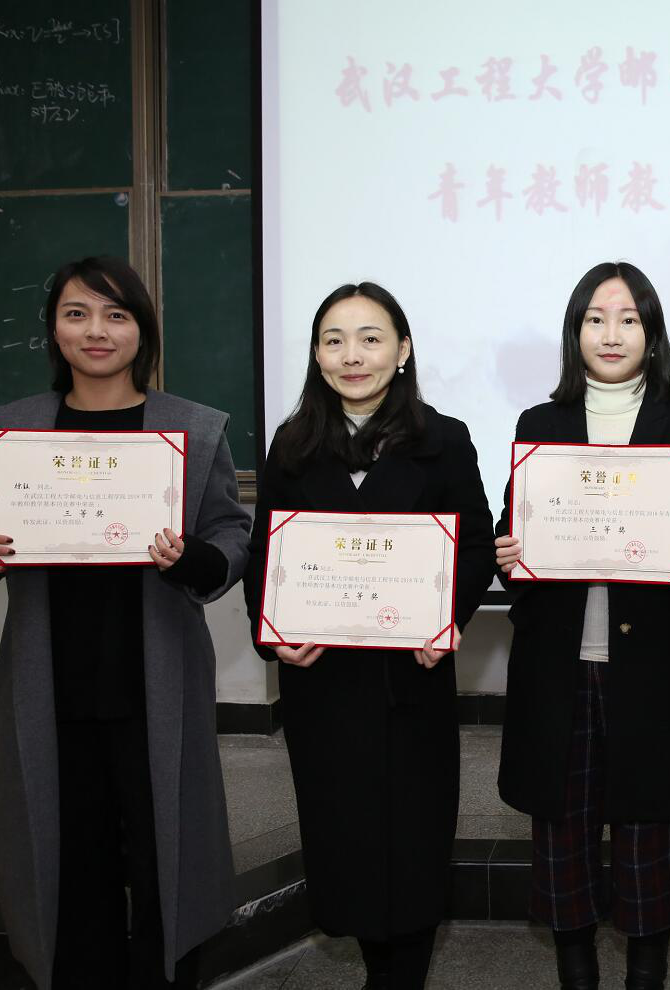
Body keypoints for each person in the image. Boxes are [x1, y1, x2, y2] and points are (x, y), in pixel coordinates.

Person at [0, 256, 250, 988]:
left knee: (168, 861)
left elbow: (232, 532)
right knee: (66, 864)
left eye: (116, 314)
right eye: (76, 314)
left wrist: (197, 559)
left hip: (156, 686)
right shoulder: (11, 430)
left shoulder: (193, 429)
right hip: (49, 687)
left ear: (143, 330)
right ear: (53, 330)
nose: (96, 331)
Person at [244, 281, 493, 990]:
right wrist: (272, 634)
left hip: (411, 679)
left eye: (370, 338)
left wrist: (448, 618)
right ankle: (372, 965)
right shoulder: (292, 445)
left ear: (403, 349)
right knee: (343, 838)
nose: (352, 355)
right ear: (317, 355)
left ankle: (400, 977)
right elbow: (265, 554)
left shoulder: (444, 439)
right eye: (334, 340)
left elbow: (476, 547)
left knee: (413, 842)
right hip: (322, 684)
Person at [493, 262, 670, 990]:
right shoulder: (540, 425)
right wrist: (508, 550)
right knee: (561, 838)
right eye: (595, 319)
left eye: (629, 319)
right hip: (557, 669)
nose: (611, 333)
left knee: (646, 839)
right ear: (575, 332)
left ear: (652, 333)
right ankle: (577, 973)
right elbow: (513, 535)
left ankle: (646, 975)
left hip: (651, 670)